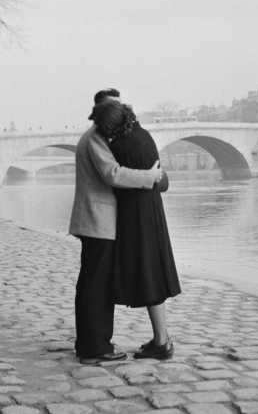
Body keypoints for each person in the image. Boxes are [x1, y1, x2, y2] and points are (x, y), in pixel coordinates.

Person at [68, 88, 164, 364]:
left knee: (93, 284)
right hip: (98, 223)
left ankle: (92, 343)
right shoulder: (95, 138)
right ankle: (95, 347)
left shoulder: (97, 136)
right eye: (114, 108)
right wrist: (151, 176)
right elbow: (113, 174)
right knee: (96, 287)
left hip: (98, 223)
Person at [92, 101, 181, 360]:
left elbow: (115, 180)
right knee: (152, 273)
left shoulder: (119, 146)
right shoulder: (143, 136)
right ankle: (161, 339)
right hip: (152, 211)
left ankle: (162, 342)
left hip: (136, 216)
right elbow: (161, 179)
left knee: (147, 275)